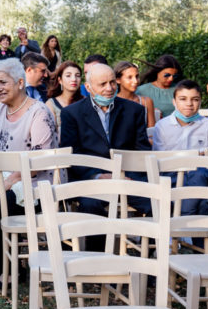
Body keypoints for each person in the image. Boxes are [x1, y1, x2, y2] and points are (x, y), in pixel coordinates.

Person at [0, 59, 58, 287]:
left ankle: (13, 269)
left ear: (19, 82)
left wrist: (11, 180)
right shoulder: (4, 108)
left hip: (35, 179)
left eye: (2, 83)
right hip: (7, 173)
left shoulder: (38, 111)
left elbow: (42, 159)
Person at [58, 63, 151, 247]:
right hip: (91, 180)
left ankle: (149, 260)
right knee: (90, 205)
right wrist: (99, 175)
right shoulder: (71, 113)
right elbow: (72, 154)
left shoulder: (134, 110)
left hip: (127, 178)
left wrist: (125, 174)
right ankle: (97, 263)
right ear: (89, 87)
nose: (109, 88)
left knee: (158, 203)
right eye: (102, 84)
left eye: (112, 83)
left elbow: (142, 151)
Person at [152, 79, 208, 215]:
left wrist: (204, 157)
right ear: (174, 101)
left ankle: (181, 219)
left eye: (195, 99)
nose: (189, 104)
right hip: (171, 175)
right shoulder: (162, 126)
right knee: (201, 204)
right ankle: (195, 229)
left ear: (200, 102)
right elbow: (159, 159)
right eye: (183, 99)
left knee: (198, 173)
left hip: (201, 175)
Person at [136, 54, 182, 120]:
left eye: (174, 76)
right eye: (167, 75)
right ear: (157, 72)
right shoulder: (141, 91)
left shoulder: (180, 90)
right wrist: (149, 111)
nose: (171, 79)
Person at [114, 61, 156, 128]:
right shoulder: (112, 102)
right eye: (129, 77)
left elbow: (151, 131)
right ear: (118, 80)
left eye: (137, 76)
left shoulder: (146, 102)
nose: (135, 81)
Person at [45, 61, 83, 134]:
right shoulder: (51, 104)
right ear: (60, 80)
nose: (74, 79)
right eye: (68, 76)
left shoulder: (86, 102)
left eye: (77, 75)